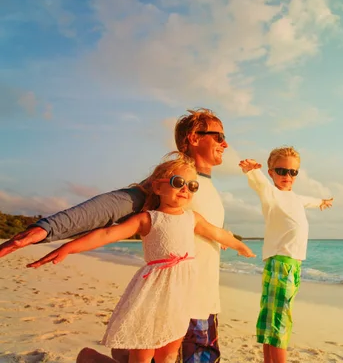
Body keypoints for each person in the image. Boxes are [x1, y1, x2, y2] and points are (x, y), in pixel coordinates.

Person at [0, 108, 232, 363]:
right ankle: (95, 358)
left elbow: (198, 228)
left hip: (206, 302)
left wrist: (221, 237)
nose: (225, 143)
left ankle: (111, 356)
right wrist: (49, 227)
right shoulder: (171, 183)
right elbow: (114, 206)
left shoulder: (202, 187)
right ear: (194, 137)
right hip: (177, 302)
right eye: (218, 136)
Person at [28, 153, 255, 363]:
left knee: (168, 353)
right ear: (157, 186)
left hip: (181, 299)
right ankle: (89, 357)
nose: (186, 189)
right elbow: (108, 233)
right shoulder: (148, 219)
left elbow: (217, 233)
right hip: (153, 296)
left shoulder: (192, 218)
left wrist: (239, 245)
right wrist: (69, 247)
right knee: (143, 351)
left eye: (192, 186)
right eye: (178, 182)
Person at [238, 146, 333, 363]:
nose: (287, 176)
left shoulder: (296, 198)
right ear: (271, 172)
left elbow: (309, 200)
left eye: (293, 172)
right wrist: (251, 169)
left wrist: (322, 202)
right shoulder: (270, 193)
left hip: (292, 264)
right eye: (281, 171)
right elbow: (259, 183)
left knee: (272, 318)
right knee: (279, 320)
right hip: (281, 262)